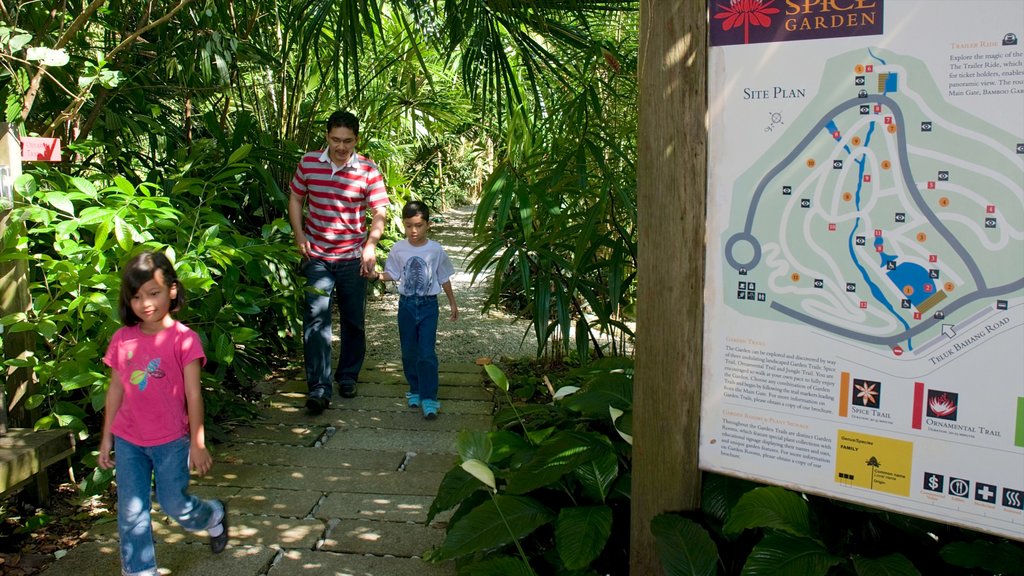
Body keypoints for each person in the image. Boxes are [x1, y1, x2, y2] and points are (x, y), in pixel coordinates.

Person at [98, 251, 229, 576]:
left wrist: (197, 442)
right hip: (129, 440)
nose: (145, 304)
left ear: (172, 289)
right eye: (136, 297)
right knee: (131, 510)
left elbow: (193, 394)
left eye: (153, 293)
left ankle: (212, 514)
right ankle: (140, 569)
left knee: (175, 505)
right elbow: (115, 390)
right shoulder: (122, 339)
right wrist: (106, 438)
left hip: (171, 441)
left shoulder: (184, 340)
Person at [289, 110, 390, 415]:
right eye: (335, 140)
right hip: (316, 255)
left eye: (347, 141)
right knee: (316, 319)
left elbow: (380, 213)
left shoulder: (369, 171)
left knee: (353, 320)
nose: (341, 146)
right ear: (326, 136)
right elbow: (296, 198)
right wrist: (299, 234)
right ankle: (319, 386)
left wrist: (370, 246)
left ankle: (347, 375)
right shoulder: (308, 163)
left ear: (356, 139)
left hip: (351, 257)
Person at [372, 201, 458, 419]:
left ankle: (429, 397)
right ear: (403, 224)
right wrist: (376, 276)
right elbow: (393, 273)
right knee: (409, 351)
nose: (414, 230)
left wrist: (452, 303)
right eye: (409, 225)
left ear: (428, 224)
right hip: (406, 305)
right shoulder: (398, 248)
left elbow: (444, 278)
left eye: (419, 225)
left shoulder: (436, 249)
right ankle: (415, 388)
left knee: (427, 352)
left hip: (429, 305)